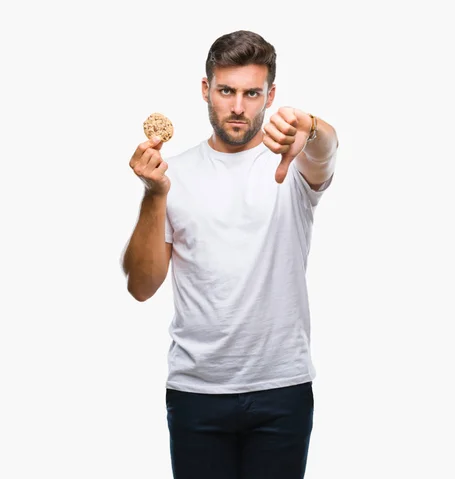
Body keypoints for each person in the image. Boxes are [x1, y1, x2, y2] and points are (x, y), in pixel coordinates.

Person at [121, 30, 338, 479]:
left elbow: (327, 148)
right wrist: (153, 194)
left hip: (282, 387)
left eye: (252, 93)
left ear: (270, 95)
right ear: (206, 89)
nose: (238, 106)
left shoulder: (294, 163)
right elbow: (141, 286)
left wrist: (311, 128)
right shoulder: (173, 174)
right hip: (196, 391)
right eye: (226, 91)